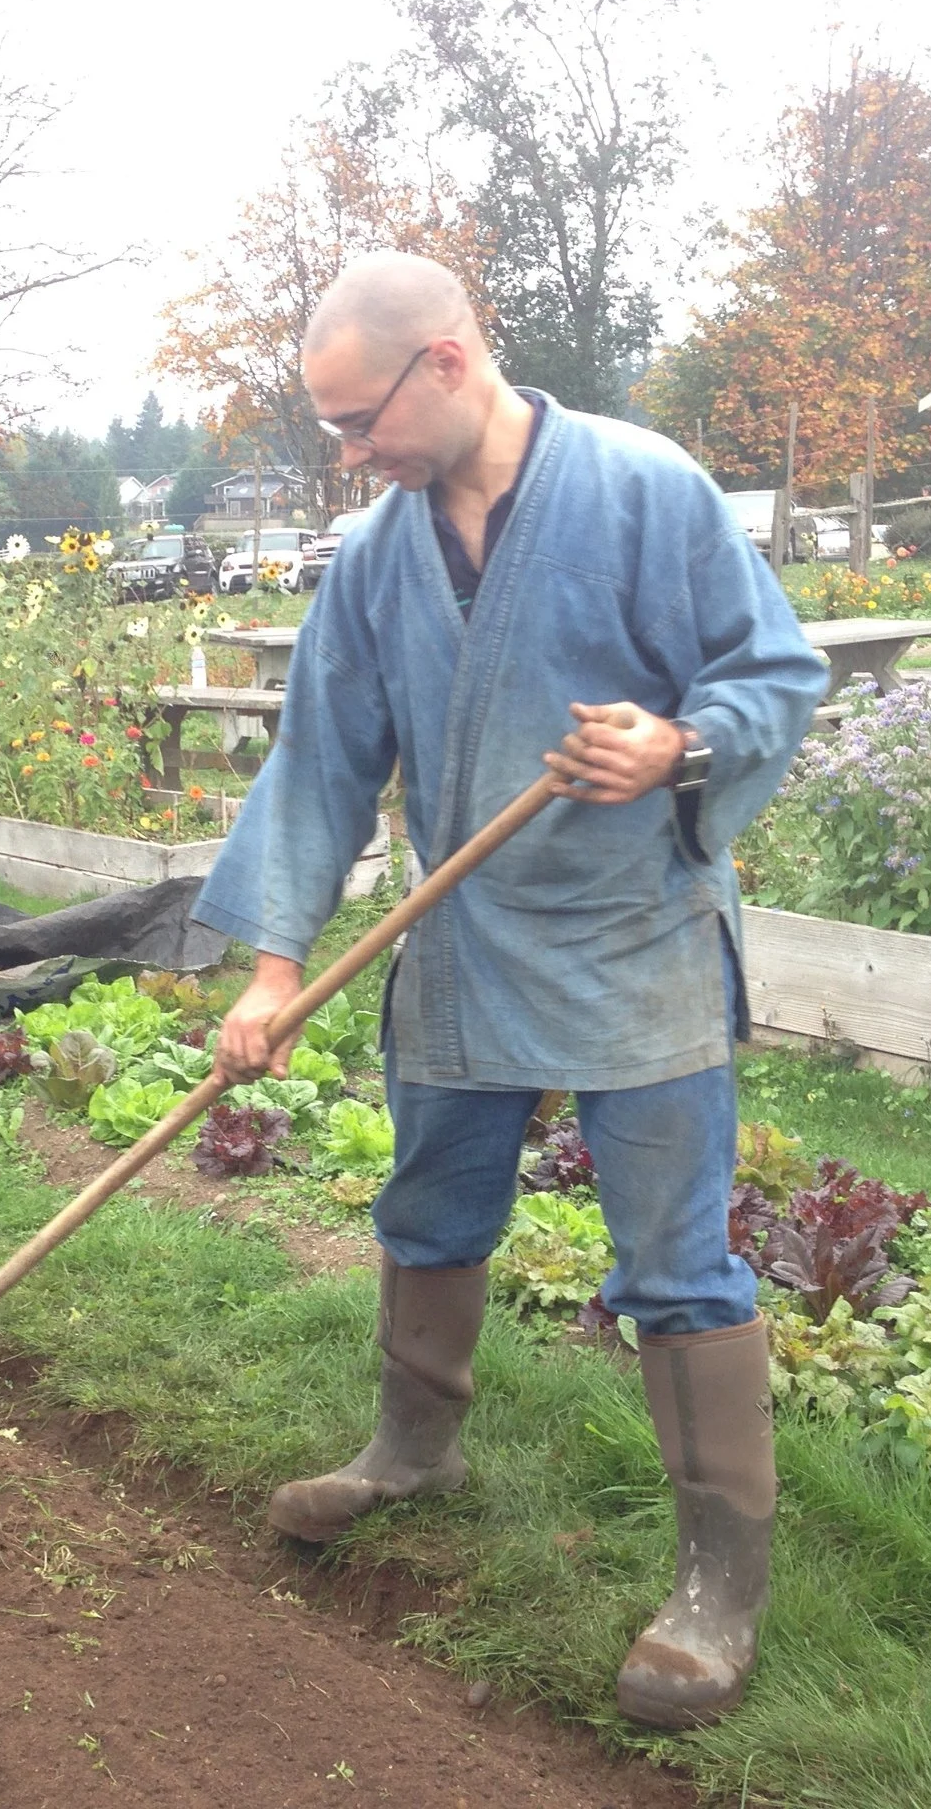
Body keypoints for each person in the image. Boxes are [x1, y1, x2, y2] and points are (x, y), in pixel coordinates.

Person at [190, 253, 826, 1728]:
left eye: (359, 424)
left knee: (676, 1266)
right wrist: (277, 966)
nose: (351, 459)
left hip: (632, 939)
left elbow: (775, 674)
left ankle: (716, 1589)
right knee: (428, 1211)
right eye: (334, 432)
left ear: (451, 361)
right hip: (461, 942)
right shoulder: (374, 558)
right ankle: (414, 1452)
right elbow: (322, 760)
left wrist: (677, 747)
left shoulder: (646, 488)